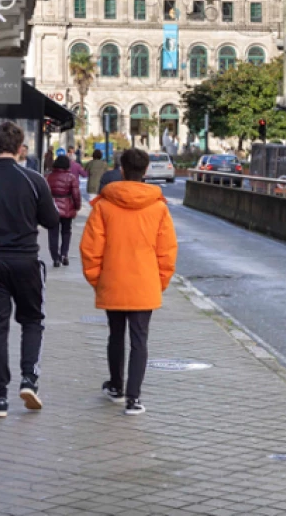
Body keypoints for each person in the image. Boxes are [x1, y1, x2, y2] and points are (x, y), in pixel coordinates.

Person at [0, 122, 60, 417]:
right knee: (32, 320)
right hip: (26, 262)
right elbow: (52, 221)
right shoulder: (34, 181)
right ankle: (29, 378)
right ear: (21, 148)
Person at [80, 148, 178, 415]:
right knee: (139, 340)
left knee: (115, 335)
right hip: (145, 283)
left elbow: (90, 249)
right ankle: (134, 398)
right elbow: (167, 252)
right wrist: (160, 282)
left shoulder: (103, 205)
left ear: (121, 170)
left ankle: (115, 386)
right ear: (145, 171)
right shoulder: (158, 208)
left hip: (113, 279)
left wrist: (97, 280)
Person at [46, 155, 82, 268]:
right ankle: (64, 254)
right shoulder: (71, 177)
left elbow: (44, 194)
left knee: (53, 233)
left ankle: (55, 258)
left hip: (52, 208)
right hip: (67, 206)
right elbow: (76, 195)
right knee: (66, 231)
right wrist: (77, 207)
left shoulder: (48, 177)